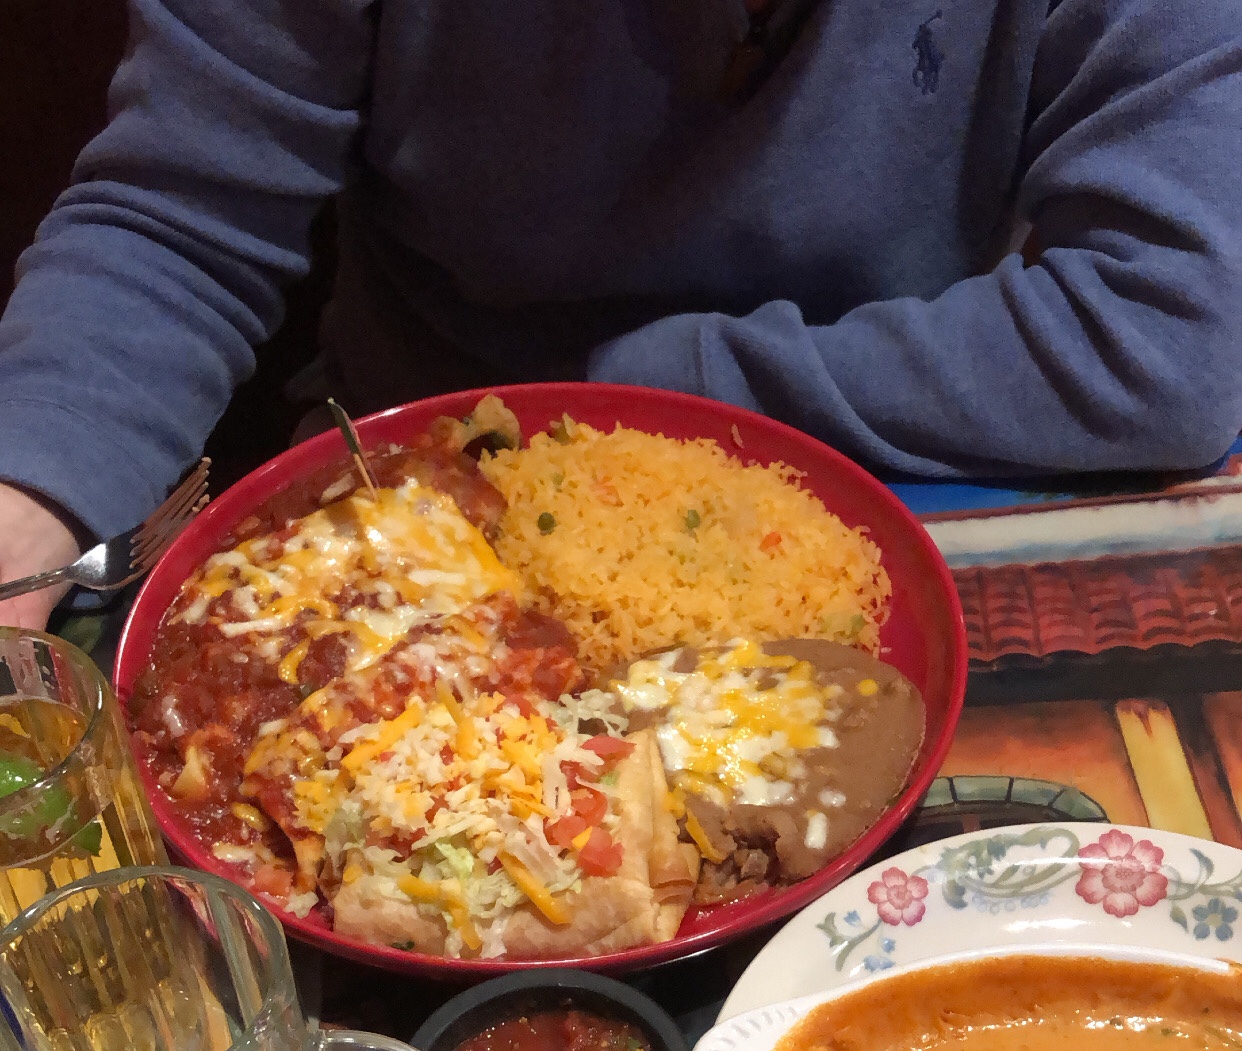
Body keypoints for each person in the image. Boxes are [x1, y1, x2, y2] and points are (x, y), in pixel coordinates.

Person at [1, 0, 1240, 631]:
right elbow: (176, 222)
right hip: (405, 506)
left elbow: (1179, 334)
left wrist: (657, 386)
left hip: (872, 501)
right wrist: (24, 512)